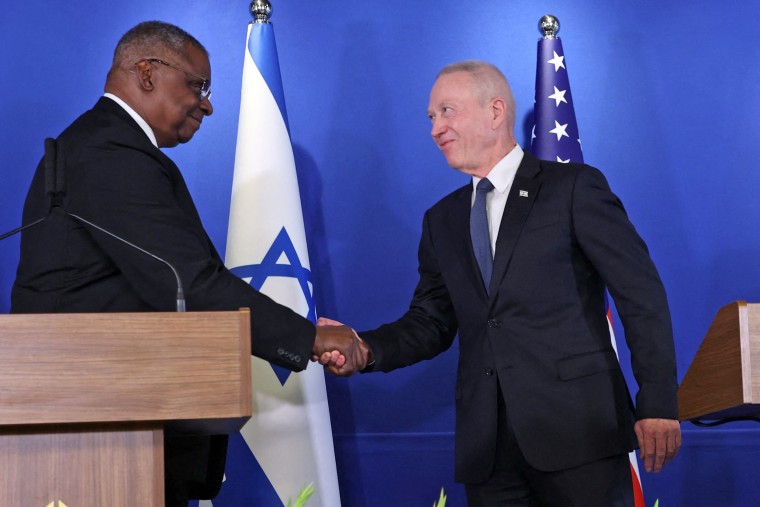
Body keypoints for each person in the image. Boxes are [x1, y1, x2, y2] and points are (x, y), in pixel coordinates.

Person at [10, 21, 363, 507]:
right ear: (148, 73)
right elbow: (193, 285)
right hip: (100, 438)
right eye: (198, 85)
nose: (208, 103)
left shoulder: (107, 147)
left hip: (120, 431)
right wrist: (310, 337)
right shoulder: (110, 151)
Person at [319, 60, 681, 506]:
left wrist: (658, 402)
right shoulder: (442, 220)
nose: (436, 129)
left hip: (580, 435)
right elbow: (430, 323)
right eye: (431, 118)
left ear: (495, 111)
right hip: (488, 450)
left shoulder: (573, 189)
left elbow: (640, 294)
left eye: (447, 111)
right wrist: (365, 348)